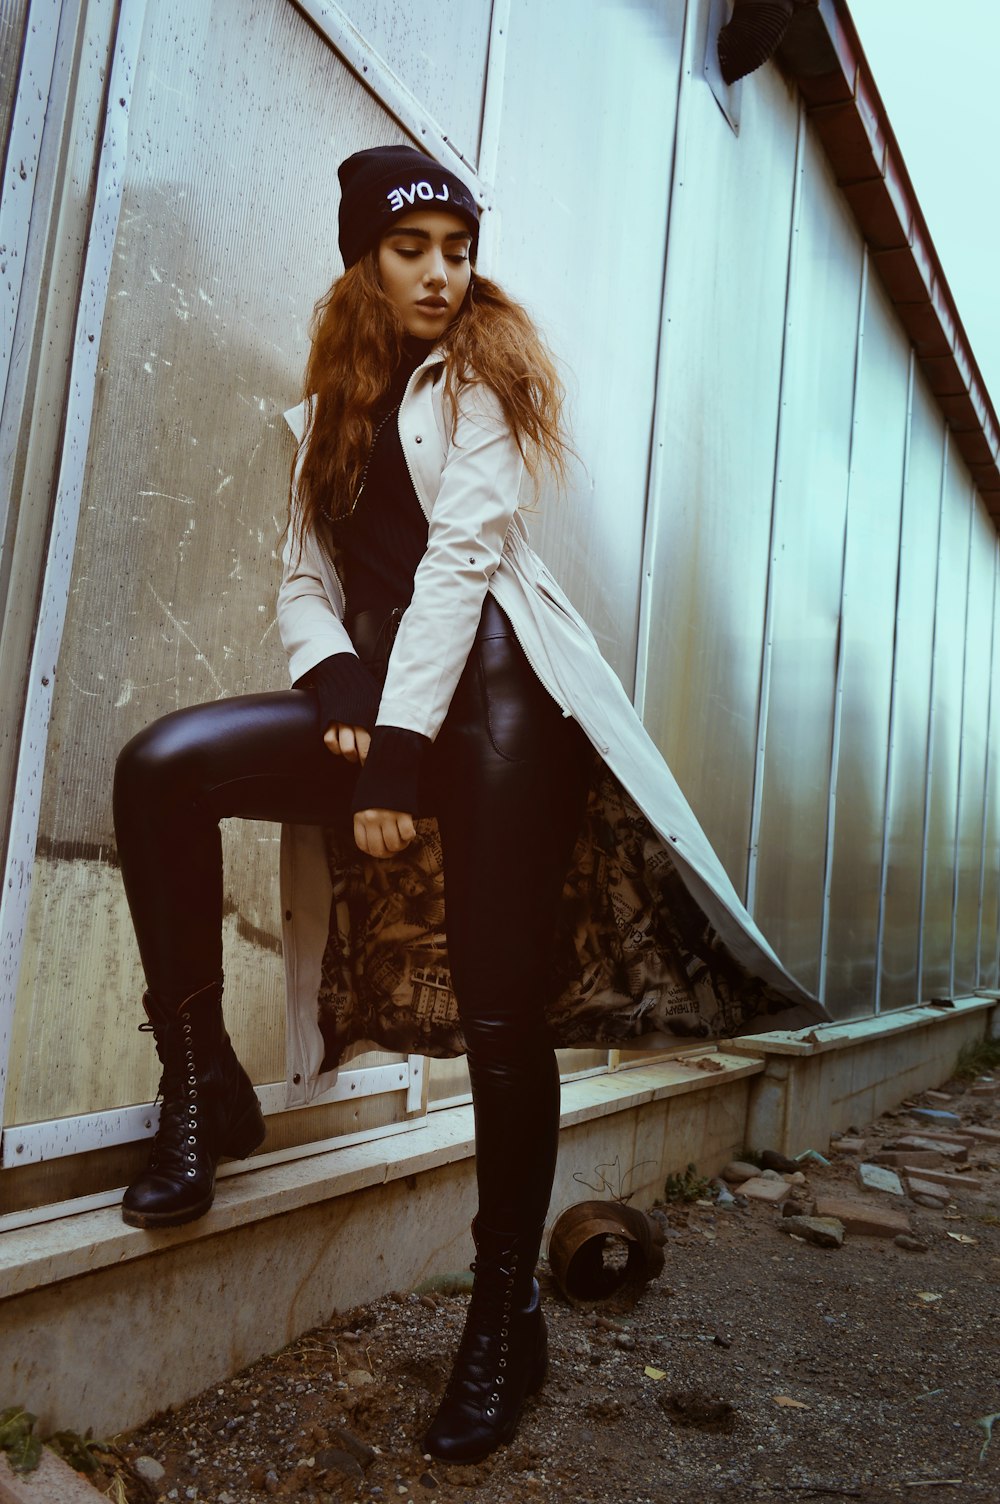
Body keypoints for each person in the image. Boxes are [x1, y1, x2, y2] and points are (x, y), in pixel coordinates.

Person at [113, 144, 826, 1464]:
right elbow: (301, 581)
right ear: (361, 258)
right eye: (411, 247)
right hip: (386, 692)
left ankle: (505, 1315)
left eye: (457, 245)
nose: (442, 272)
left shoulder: (482, 377)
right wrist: (330, 675)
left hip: (497, 701)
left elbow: (459, 567)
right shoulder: (322, 409)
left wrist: (390, 759)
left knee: (504, 1014)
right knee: (165, 768)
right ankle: (204, 1086)